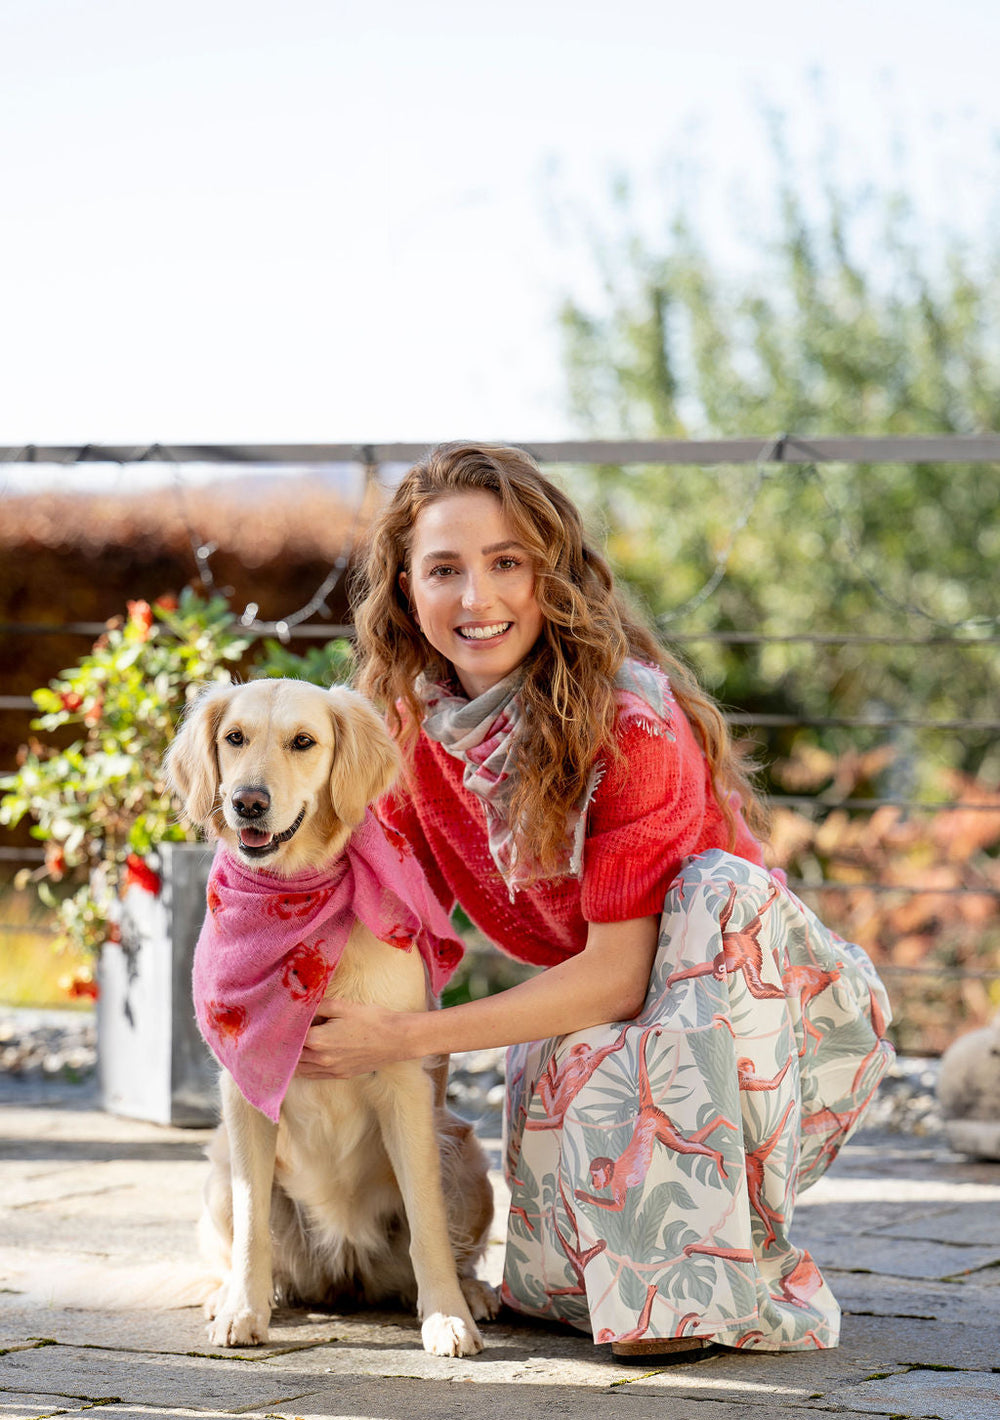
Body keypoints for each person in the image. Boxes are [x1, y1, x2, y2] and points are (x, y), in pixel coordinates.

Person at [297, 440, 893, 1363]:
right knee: (555, 1296)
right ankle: (639, 1271)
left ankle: (691, 1292)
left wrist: (403, 1042)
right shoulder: (406, 736)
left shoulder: (629, 720)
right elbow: (396, 931)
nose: (477, 598)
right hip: (610, 1014)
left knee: (711, 896)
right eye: (444, 569)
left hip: (768, 1011)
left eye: (507, 564)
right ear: (406, 591)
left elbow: (620, 973)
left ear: (554, 576)